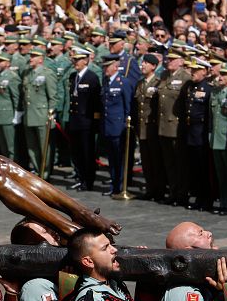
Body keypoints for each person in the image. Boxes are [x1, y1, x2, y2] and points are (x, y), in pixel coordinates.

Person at [158, 48, 190, 206]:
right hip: (163, 125)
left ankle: (182, 194)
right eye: (168, 59)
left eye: (172, 59)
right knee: (169, 164)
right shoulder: (164, 75)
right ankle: (173, 192)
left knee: (180, 164)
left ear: (181, 61)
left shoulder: (185, 77)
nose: (168, 61)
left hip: (176, 126)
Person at [68, 47, 101, 192]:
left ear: (86, 61)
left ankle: (88, 181)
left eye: (78, 59)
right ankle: (81, 178)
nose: (75, 62)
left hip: (87, 122)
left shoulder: (92, 77)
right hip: (75, 120)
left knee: (87, 153)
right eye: (74, 59)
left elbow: (96, 103)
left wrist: (95, 122)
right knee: (77, 153)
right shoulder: (73, 77)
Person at [181, 57, 213, 211]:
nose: (192, 72)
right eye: (192, 69)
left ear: (204, 71)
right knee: (194, 168)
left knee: (203, 169)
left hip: (201, 134)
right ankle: (198, 197)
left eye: (196, 70)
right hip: (191, 133)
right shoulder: (190, 86)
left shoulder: (208, 89)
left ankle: (206, 199)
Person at [23, 48, 58, 180]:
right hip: (29, 114)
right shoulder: (27, 73)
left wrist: (51, 113)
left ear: (41, 59)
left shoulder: (47, 73)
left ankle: (45, 173)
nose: (30, 58)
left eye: (34, 56)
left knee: (44, 147)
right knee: (32, 147)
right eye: (30, 56)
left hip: (42, 115)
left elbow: (53, 96)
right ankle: (38, 170)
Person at [133, 53, 164, 201]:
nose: (143, 65)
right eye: (142, 62)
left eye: (146, 63)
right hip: (142, 128)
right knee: (146, 161)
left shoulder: (158, 83)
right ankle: (150, 189)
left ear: (154, 66)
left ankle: (159, 191)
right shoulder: (140, 83)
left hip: (152, 128)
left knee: (156, 161)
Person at [209, 62, 227, 216]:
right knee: (221, 174)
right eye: (220, 74)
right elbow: (211, 117)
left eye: (225, 74)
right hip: (215, 139)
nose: (220, 77)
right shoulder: (215, 92)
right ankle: (223, 201)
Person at [101, 54, 132, 196]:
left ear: (115, 66)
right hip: (108, 126)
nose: (105, 69)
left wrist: (126, 124)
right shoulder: (106, 81)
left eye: (107, 67)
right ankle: (114, 185)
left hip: (118, 127)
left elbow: (128, 106)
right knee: (112, 159)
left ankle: (119, 186)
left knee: (119, 159)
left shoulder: (123, 82)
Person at [0, 52, 21, 160]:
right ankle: (6, 166)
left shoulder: (12, 77)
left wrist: (17, 113)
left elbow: (16, 97)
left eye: (1, 61)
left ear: (8, 63)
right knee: (3, 145)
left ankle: (13, 166)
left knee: (11, 146)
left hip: (8, 114)